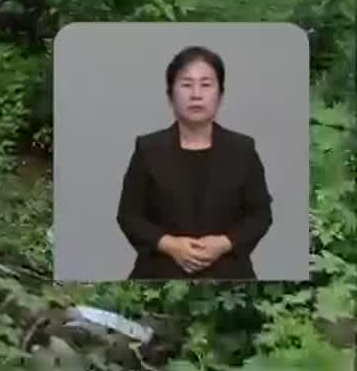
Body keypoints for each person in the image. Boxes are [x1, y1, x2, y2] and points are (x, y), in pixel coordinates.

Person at [116, 46, 273, 279]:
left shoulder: (242, 149)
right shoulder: (148, 149)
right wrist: (170, 245)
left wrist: (224, 242)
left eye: (206, 85)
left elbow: (260, 215)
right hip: (160, 270)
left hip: (228, 272)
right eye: (187, 85)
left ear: (220, 94)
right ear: (171, 94)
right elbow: (129, 215)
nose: (196, 94)